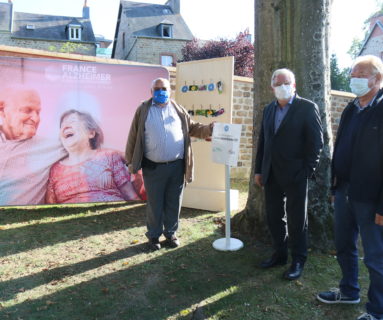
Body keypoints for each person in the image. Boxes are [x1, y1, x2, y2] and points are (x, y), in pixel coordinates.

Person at [317, 55, 383, 320]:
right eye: (353, 74)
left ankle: (377, 311)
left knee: (375, 258)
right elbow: (341, 146)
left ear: (377, 78)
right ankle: (349, 291)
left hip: (371, 198)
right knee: (344, 245)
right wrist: (335, 188)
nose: (354, 79)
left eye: (360, 74)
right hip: (344, 190)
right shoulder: (351, 107)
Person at [125, 77, 213, 251]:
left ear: (169, 91)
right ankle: (153, 236)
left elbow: (193, 128)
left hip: (176, 166)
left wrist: (210, 128)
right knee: (155, 204)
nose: (160, 92)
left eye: (163, 88)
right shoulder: (143, 110)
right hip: (153, 167)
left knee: (174, 202)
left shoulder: (178, 109)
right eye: (156, 89)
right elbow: (133, 136)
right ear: (151, 92)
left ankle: (171, 234)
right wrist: (130, 161)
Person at [255, 68, 323, 280]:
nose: (282, 87)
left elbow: (317, 144)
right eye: (278, 83)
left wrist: (306, 171)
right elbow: (263, 142)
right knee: (274, 216)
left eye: (286, 83)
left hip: (296, 175)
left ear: (294, 85)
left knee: (297, 220)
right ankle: (279, 254)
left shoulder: (307, 108)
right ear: (272, 87)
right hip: (271, 173)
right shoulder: (268, 109)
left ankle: (298, 260)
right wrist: (259, 170)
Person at [46, 109, 144, 204]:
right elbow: (49, 210)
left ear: (91, 133)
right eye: (62, 125)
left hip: (112, 218)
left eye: (72, 121)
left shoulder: (109, 156)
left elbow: (130, 196)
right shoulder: (55, 170)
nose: (65, 126)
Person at [0, 86, 66, 205]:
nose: (35, 118)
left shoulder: (51, 147)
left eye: (38, 112)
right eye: (27, 110)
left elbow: (85, 143)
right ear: (3, 110)